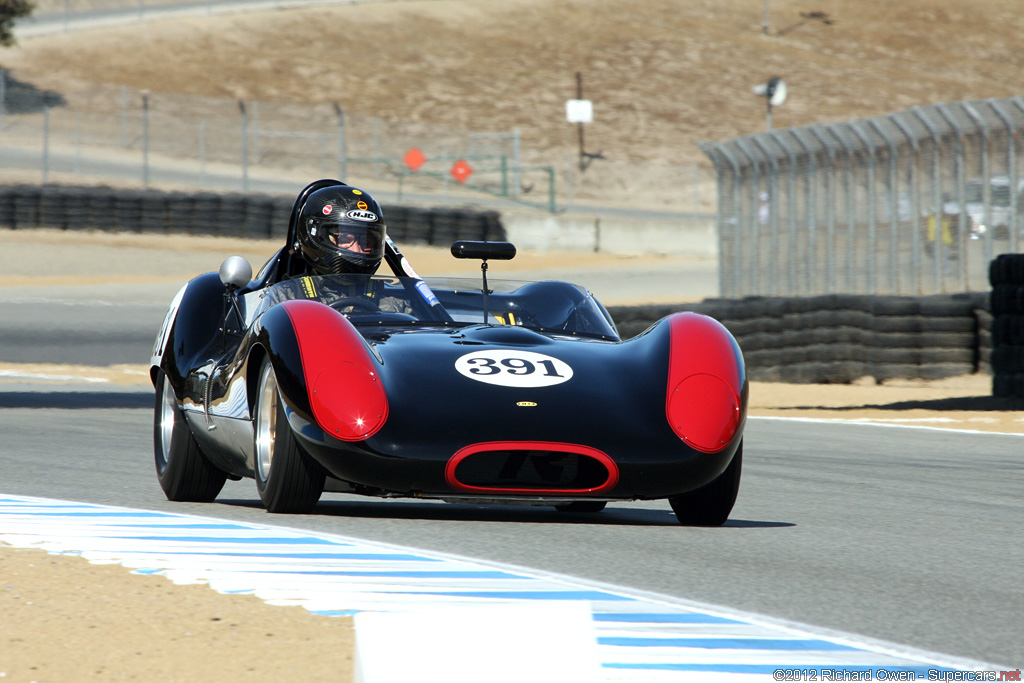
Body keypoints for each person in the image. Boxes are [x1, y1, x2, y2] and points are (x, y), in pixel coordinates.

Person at [270, 183, 412, 314]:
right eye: (345, 239)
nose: (357, 250)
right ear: (316, 237)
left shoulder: (393, 302)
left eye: (366, 242)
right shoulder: (285, 299)